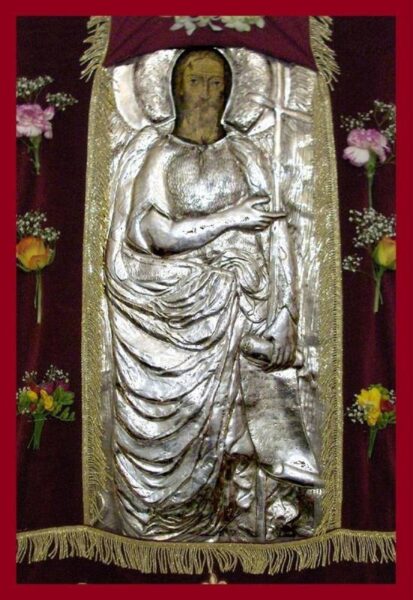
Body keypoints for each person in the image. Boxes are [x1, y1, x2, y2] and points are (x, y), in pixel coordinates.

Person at [105, 49, 319, 541]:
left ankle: (242, 516)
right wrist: (229, 219)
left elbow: (278, 238)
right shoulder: (157, 153)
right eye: (195, 81)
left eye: (216, 83)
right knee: (178, 428)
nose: (205, 93)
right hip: (167, 316)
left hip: (240, 313)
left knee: (235, 433)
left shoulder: (247, 153)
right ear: (175, 89)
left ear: (229, 92)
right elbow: (153, 234)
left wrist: (285, 312)